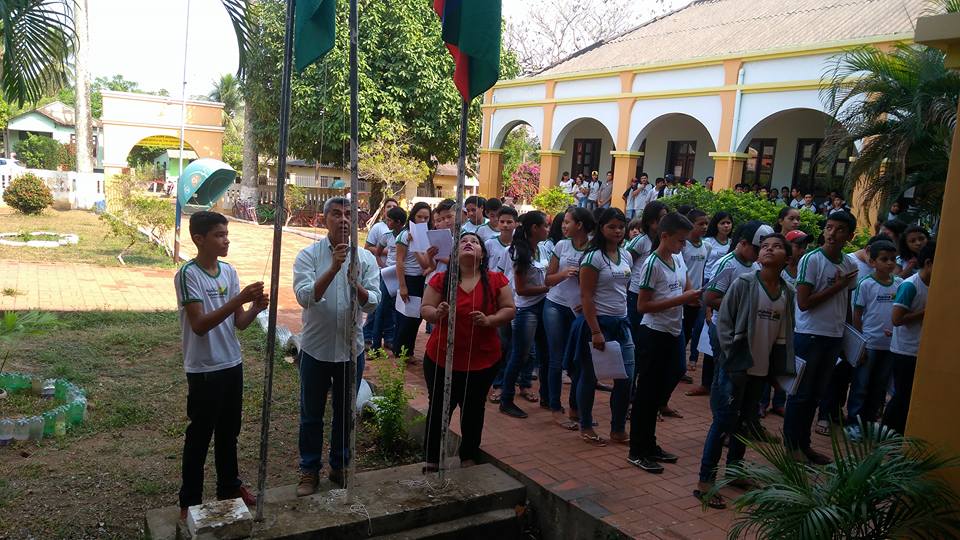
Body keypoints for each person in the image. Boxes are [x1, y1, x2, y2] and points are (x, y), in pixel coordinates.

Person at [174, 211, 267, 517]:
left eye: (227, 234)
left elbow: (239, 323)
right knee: (200, 435)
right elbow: (199, 324)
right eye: (218, 235)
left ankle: (229, 486)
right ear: (199, 239)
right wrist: (237, 299)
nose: (225, 240)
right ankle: (190, 500)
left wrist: (253, 308)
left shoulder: (228, 271)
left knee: (229, 431)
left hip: (231, 363)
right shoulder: (188, 275)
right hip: (204, 368)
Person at [696, 233, 796, 509]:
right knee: (723, 423)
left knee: (745, 422)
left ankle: (735, 474)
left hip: (761, 370)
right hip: (736, 366)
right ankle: (705, 480)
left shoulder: (787, 292)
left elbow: (784, 333)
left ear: (786, 259)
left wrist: (778, 370)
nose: (768, 250)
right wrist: (732, 357)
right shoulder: (744, 283)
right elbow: (724, 322)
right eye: (764, 246)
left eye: (776, 247)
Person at [293, 197, 381, 494]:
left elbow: (373, 303)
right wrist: (333, 269)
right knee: (311, 413)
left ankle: (339, 465)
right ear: (324, 218)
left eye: (349, 215)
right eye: (336, 214)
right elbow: (305, 297)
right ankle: (309, 470)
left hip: (350, 350)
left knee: (345, 413)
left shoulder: (366, 259)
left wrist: (356, 284)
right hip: (315, 349)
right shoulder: (308, 256)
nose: (343, 220)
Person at [420, 232, 516, 472]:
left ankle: (469, 455)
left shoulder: (496, 279)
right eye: (463, 241)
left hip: (482, 360)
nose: (469, 243)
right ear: (454, 253)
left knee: (473, 409)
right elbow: (425, 309)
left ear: (482, 253)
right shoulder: (441, 280)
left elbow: (509, 309)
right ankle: (431, 458)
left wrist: (490, 320)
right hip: (442, 358)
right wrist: (437, 314)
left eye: (474, 241)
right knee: (440, 407)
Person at [783, 211, 859, 465]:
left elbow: (845, 302)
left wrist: (850, 336)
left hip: (834, 337)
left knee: (816, 394)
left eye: (839, 230)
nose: (832, 234)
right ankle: (792, 446)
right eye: (828, 227)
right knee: (801, 393)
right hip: (810, 335)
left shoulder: (849, 264)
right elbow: (803, 303)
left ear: (849, 236)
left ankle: (805, 445)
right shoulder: (812, 260)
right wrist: (835, 287)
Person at [627, 212, 699, 473]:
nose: (683, 246)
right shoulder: (652, 263)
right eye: (680, 241)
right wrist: (682, 299)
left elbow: (687, 292)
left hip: (673, 331)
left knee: (658, 392)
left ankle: (650, 444)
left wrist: (697, 297)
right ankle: (637, 450)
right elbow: (643, 305)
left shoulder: (678, 259)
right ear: (665, 236)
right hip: (654, 333)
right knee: (646, 395)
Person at [570, 208, 634, 447]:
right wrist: (595, 330)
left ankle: (618, 429)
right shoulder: (593, 257)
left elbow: (623, 289)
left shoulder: (625, 255)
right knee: (589, 376)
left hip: (621, 323)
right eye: (612, 227)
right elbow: (586, 296)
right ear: (601, 228)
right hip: (598, 323)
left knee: (625, 378)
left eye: (621, 226)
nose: (617, 231)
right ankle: (585, 425)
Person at [695, 222, 773, 399]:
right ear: (743, 243)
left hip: (741, 330)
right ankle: (721, 415)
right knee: (722, 377)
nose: (760, 254)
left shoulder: (754, 265)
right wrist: (745, 308)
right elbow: (710, 297)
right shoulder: (727, 264)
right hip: (724, 330)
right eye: (757, 249)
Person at [544, 207, 595, 429]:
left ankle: (576, 407)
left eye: (567, 222)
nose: (563, 226)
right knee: (556, 359)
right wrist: (564, 274)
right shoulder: (561, 246)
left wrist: (586, 303)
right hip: (555, 304)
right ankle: (556, 408)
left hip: (580, 310)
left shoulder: (594, 248)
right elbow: (548, 280)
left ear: (580, 225)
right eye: (563, 222)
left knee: (579, 361)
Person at [498, 211, 552, 418]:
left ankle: (547, 397)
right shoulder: (519, 252)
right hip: (526, 309)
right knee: (519, 354)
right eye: (544, 226)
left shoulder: (542, 249)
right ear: (534, 229)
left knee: (545, 354)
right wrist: (549, 287)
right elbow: (521, 290)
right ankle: (506, 399)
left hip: (542, 306)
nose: (548, 230)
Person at [846, 240, 901, 437]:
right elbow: (857, 314)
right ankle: (853, 423)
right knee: (861, 385)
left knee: (879, 387)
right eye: (884, 259)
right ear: (872, 261)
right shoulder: (865, 284)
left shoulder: (899, 284)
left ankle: (869, 423)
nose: (889, 263)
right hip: (869, 344)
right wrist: (860, 342)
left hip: (889, 346)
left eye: (892, 259)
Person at [883, 241, 934, 434]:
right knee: (902, 396)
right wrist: (926, 313)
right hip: (905, 350)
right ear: (928, 263)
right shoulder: (910, 286)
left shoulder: (937, 285)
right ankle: (888, 435)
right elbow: (897, 319)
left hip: (922, 349)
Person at [485, 206, 520, 403]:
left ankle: (512, 380)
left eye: (509, 222)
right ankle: (497, 383)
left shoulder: (518, 245)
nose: (506, 225)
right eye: (502, 221)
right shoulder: (490, 244)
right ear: (497, 223)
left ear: (516, 224)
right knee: (502, 342)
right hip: (495, 296)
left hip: (514, 297)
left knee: (516, 344)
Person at [394, 202, 436, 359]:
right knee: (407, 318)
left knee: (417, 318)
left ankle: (408, 351)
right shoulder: (405, 235)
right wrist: (403, 285)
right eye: (419, 217)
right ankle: (400, 352)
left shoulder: (427, 235)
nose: (423, 220)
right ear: (413, 216)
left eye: (426, 217)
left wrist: (417, 246)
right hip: (408, 279)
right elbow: (399, 261)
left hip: (422, 280)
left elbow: (426, 264)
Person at [369, 206, 407, 351]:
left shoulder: (405, 235)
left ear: (398, 222)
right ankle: (375, 344)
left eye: (390, 220)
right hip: (388, 275)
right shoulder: (387, 236)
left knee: (397, 310)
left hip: (401, 275)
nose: (387, 222)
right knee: (380, 308)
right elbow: (377, 252)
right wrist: (383, 267)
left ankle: (395, 342)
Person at [681, 209, 710, 379]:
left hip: (697, 295)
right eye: (701, 224)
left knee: (692, 331)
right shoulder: (683, 245)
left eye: (706, 223)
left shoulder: (706, 246)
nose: (705, 227)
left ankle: (681, 366)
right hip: (683, 295)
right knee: (682, 332)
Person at [703, 212, 733, 283]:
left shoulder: (732, 243)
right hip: (707, 278)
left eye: (728, 223)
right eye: (722, 223)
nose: (726, 226)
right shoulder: (707, 242)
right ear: (716, 225)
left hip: (725, 280)